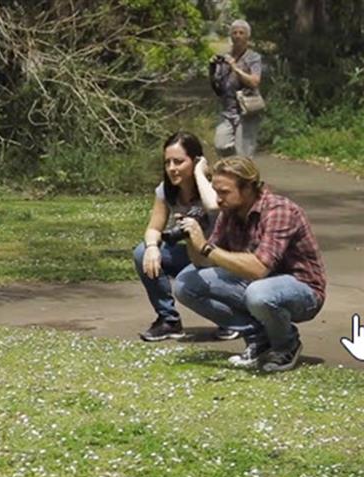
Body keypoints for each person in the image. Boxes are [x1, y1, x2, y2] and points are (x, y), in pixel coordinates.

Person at [173, 156, 326, 372]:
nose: (217, 199)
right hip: (258, 284)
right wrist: (193, 239)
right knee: (186, 284)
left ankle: (286, 346)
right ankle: (259, 339)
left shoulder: (279, 211)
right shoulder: (230, 211)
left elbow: (259, 268)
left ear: (247, 189)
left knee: (259, 294)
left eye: (224, 192)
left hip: (303, 290)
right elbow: (203, 262)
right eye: (216, 191)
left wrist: (207, 248)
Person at [134, 131, 238, 342]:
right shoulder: (166, 190)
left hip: (224, 258)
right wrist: (153, 247)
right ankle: (168, 320)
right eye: (167, 162)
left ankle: (231, 318)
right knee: (142, 251)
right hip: (197, 255)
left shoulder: (216, 185)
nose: (172, 168)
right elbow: (153, 228)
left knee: (186, 280)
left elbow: (213, 206)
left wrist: (200, 174)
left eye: (179, 162)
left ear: (196, 160)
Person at [209, 19, 262, 157]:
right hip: (227, 111)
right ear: (231, 36)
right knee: (220, 146)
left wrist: (235, 68)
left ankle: (245, 175)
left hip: (246, 111)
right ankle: (233, 169)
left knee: (244, 155)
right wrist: (212, 68)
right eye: (234, 33)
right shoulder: (225, 57)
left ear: (247, 36)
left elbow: (255, 82)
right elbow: (217, 87)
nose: (237, 35)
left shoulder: (253, 57)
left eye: (241, 33)